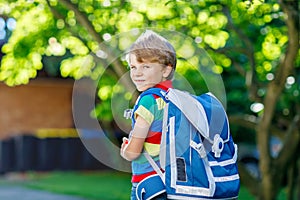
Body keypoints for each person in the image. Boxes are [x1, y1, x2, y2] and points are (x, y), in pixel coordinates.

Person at [120, 30, 177, 200]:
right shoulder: (174, 98)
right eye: (133, 67)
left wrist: (125, 150)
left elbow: (134, 152)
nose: (137, 73)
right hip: (172, 182)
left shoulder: (148, 101)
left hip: (148, 184)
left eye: (145, 66)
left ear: (166, 70)